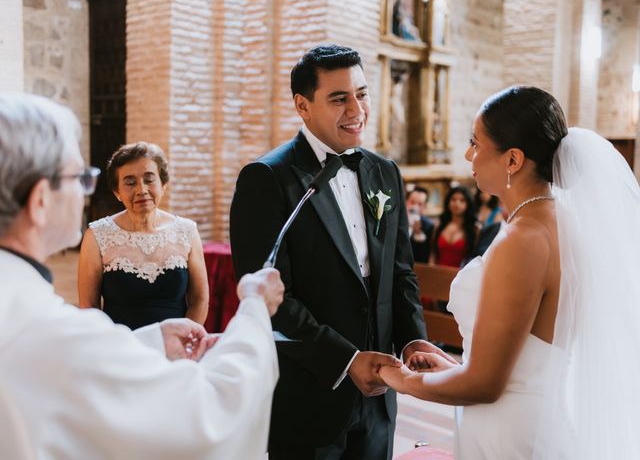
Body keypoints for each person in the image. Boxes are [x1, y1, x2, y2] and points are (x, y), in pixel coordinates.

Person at [0, 92, 283, 459]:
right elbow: (208, 416)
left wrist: (151, 342)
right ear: (40, 201)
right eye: (81, 178)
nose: (86, 192)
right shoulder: (47, 330)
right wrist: (255, 312)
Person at [379, 85, 640, 459]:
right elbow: (523, 360)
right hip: (534, 416)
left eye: (476, 143)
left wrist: (400, 379)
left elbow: (486, 385)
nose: (469, 154)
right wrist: (450, 367)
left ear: (513, 160)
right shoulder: (559, 222)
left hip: (509, 433)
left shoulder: (522, 239)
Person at [230, 44, 449, 460]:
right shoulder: (267, 178)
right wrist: (347, 360)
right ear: (303, 105)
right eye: (338, 98)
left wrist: (414, 340)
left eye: (362, 93)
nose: (356, 109)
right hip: (309, 392)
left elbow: (400, 273)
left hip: (381, 394)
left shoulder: (384, 171)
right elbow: (270, 297)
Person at [78, 142, 209, 329]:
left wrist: (185, 341)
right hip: (120, 349)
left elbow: (200, 299)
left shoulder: (187, 231)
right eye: (130, 182)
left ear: (163, 184)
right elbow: (89, 307)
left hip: (175, 349)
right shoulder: (97, 235)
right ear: (117, 192)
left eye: (149, 179)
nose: (141, 190)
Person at [430, 185, 477, 268]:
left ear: (468, 203)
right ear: (448, 202)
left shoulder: (475, 228)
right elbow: (433, 254)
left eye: (462, 200)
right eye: (453, 199)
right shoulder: (439, 225)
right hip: (438, 274)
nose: (457, 203)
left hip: (461, 277)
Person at [405, 186, 435, 263]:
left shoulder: (429, 226)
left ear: (424, 206)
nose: (415, 207)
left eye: (420, 204)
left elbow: (426, 256)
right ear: (406, 201)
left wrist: (418, 233)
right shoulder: (396, 222)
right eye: (412, 202)